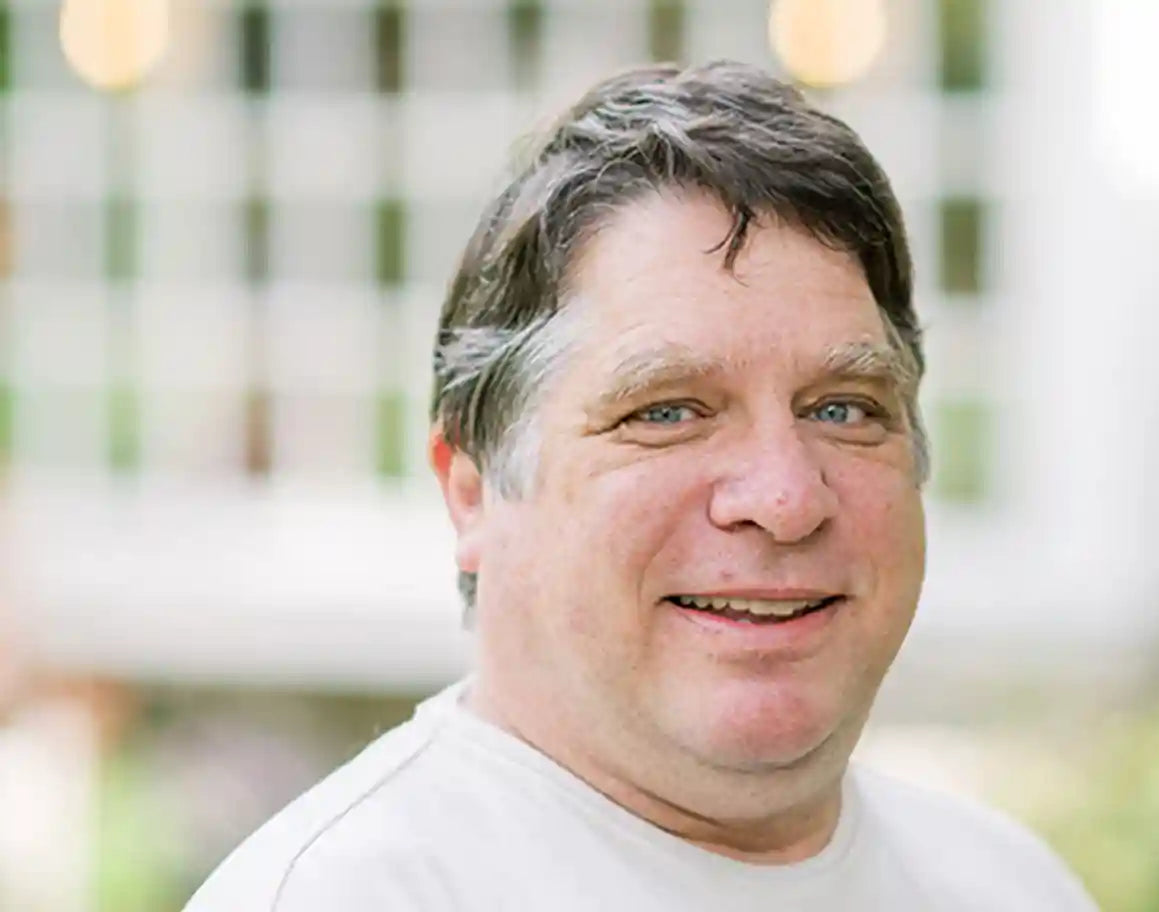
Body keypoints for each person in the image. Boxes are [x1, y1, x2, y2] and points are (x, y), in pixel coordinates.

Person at [184, 61, 1097, 911]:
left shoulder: (1011, 884)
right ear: (473, 492)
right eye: (666, 411)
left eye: (844, 409)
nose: (784, 498)